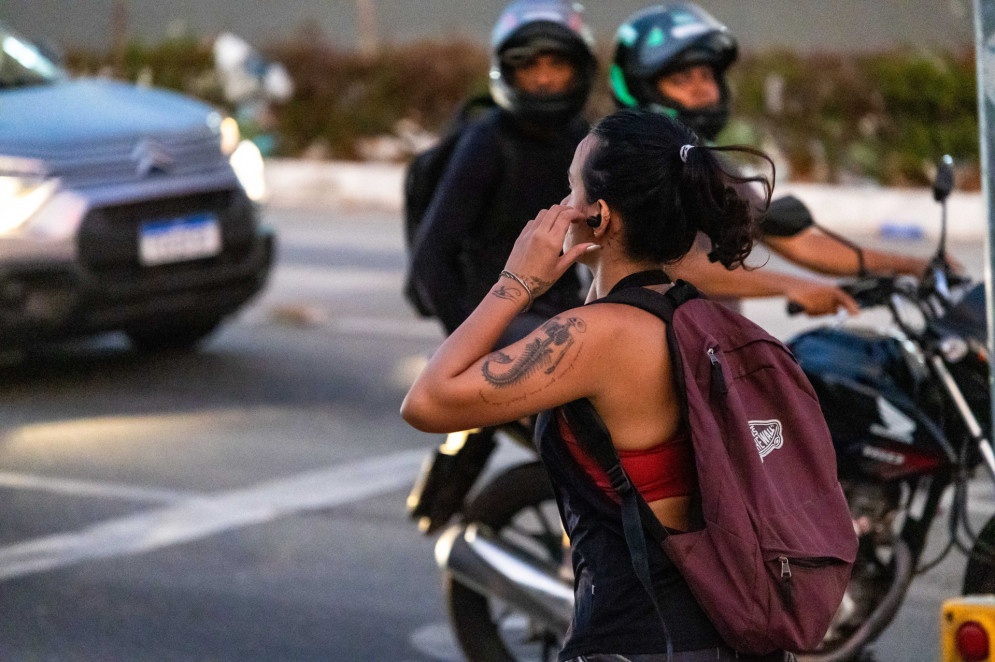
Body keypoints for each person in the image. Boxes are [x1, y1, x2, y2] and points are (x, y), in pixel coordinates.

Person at [402, 108, 792, 662]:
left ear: (600, 216)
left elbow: (427, 401)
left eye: (570, 189)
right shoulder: (689, 315)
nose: (560, 208)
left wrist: (516, 282)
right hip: (714, 628)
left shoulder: (597, 338)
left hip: (639, 638)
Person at [609, 3, 932, 316]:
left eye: (706, 76)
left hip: (703, 354)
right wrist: (793, 286)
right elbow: (678, 265)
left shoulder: (709, 163)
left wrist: (912, 265)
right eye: (680, 80)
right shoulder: (629, 163)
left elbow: (796, 243)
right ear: (641, 87)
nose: (702, 90)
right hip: (644, 354)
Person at [408, 0, 597, 343]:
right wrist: (471, 344)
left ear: (580, 68)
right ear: (506, 71)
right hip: (499, 318)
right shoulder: (488, 141)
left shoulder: (581, 137)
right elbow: (432, 258)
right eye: (527, 65)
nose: (543, 78)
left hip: (564, 314)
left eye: (557, 63)